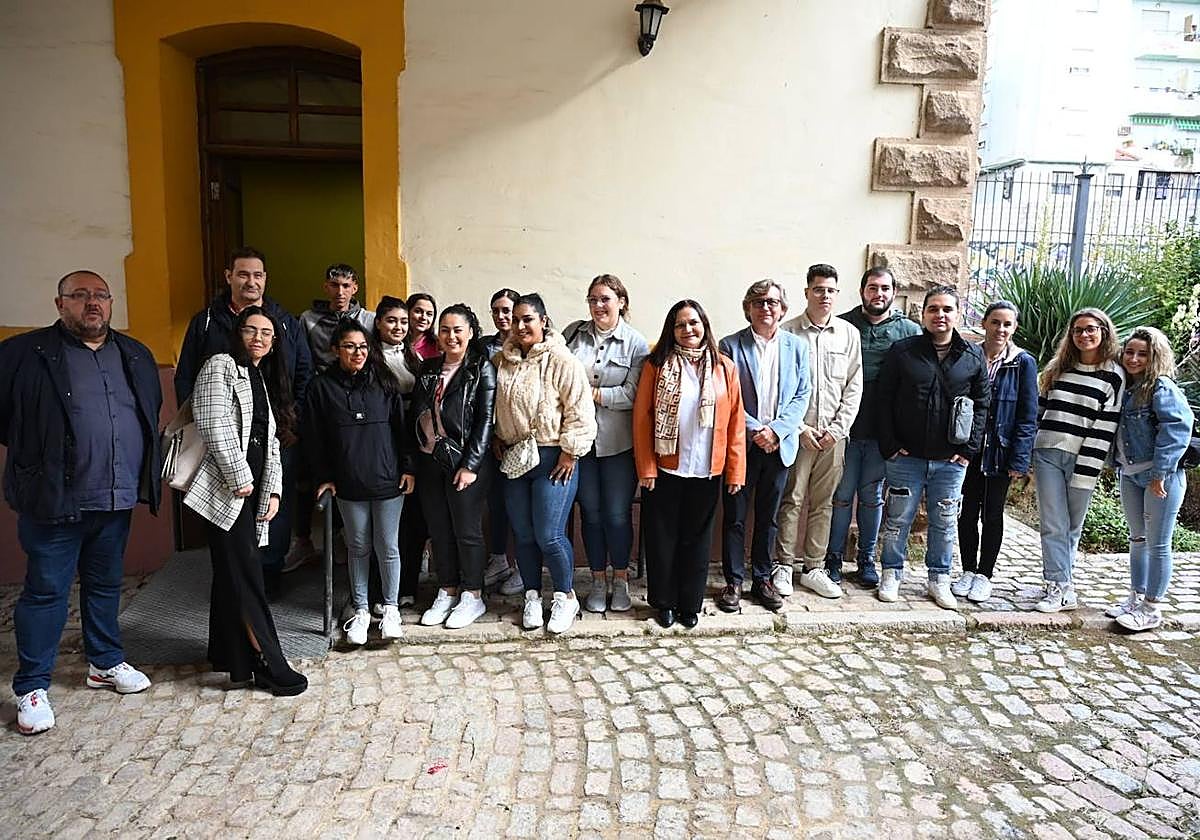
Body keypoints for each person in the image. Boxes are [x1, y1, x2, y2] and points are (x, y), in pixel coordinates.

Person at [1, 271, 162, 735]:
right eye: (80, 296)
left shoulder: (134, 353)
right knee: (46, 592)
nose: (92, 304)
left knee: (106, 584)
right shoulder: (23, 354)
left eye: (100, 296)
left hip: (114, 496)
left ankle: (105, 662)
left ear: (111, 304)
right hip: (54, 499)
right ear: (59, 303)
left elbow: (146, 415)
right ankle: (32, 685)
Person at [184, 306, 307, 696]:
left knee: (231, 571)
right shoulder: (220, 365)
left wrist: (272, 489)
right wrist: (240, 478)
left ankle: (229, 656)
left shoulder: (259, 376)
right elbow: (213, 421)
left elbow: (268, 441)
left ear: (273, 344)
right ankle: (268, 661)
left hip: (251, 491)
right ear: (238, 333)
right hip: (226, 488)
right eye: (251, 330)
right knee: (247, 573)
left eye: (267, 333)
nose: (259, 338)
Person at [175, 246, 313, 590]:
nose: (251, 281)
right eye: (243, 274)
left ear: (265, 279)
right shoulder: (207, 321)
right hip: (224, 436)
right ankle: (236, 580)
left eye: (257, 275)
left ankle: (268, 575)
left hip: (277, 431)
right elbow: (186, 377)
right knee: (231, 503)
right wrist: (205, 427)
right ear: (229, 277)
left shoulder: (283, 320)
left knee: (273, 506)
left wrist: (289, 418)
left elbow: (303, 372)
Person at [875, 285, 989, 609]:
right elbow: (883, 400)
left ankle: (939, 578)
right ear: (923, 314)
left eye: (947, 309)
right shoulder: (903, 351)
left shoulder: (972, 355)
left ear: (958, 313)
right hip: (905, 457)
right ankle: (892, 573)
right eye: (934, 309)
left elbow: (982, 404)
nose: (940, 315)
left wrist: (968, 450)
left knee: (945, 520)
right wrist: (890, 445)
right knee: (897, 519)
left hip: (950, 461)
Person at [634, 300, 746, 628]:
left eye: (694, 323)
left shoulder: (724, 367)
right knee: (662, 537)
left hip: (707, 470)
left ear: (705, 326)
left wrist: (735, 470)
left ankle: (689, 604)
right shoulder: (656, 365)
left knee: (696, 539)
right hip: (666, 468)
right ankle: (664, 602)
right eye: (680, 325)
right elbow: (642, 419)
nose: (688, 330)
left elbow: (735, 423)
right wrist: (647, 467)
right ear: (672, 330)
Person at [304, 320, 415, 645]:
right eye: (350, 346)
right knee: (358, 546)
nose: (358, 353)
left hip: (388, 480)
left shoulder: (385, 382)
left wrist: (408, 467)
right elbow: (314, 438)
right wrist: (323, 477)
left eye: (363, 346)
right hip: (348, 483)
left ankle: (391, 609)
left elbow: (401, 429)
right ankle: (362, 610)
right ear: (335, 349)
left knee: (388, 546)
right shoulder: (321, 387)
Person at [493, 293, 596, 634]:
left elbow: (580, 410)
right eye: (517, 319)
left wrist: (571, 451)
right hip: (515, 456)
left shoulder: (562, 360)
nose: (521, 326)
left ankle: (565, 596)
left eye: (528, 319)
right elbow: (494, 406)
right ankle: (533, 595)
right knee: (523, 533)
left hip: (554, 457)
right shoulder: (502, 361)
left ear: (543, 321)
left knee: (549, 534)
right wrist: (497, 435)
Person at [717, 280, 811, 614]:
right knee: (736, 516)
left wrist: (778, 431)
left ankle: (762, 578)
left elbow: (803, 394)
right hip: (743, 444)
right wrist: (758, 429)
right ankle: (732, 581)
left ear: (783, 309)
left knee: (769, 517)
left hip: (779, 445)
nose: (765, 307)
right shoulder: (729, 345)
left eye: (772, 302)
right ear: (748, 308)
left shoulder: (796, 347)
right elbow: (725, 396)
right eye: (757, 302)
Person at [773, 265, 863, 602]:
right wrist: (798, 428)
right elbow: (780, 389)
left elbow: (855, 385)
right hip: (799, 434)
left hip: (834, 436)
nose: (825, 296)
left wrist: (838, 429)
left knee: (824, 502)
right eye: (819, 289)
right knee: (792, 498)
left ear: (837, 294)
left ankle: (813, 567)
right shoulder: (788, 333)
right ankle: (783, 564)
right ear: (807, 292)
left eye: (831, 290)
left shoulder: (848, 334)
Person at [826, 268, 920, 586]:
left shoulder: (909, 331)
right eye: (872, 288)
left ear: (894, 291)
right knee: (840, 497)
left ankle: (866, 559)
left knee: (871, 497)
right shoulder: (842, 324)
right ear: (862, 290)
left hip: (883, 433)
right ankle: (833, 559)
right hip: (845, 427)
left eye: (884, 288)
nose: (878, 294)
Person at [564, 275, 650, 613]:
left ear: (621, 302)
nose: (598, 306)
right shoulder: (573, 334)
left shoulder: (635, 343)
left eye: (605, 299)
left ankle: (620, 579)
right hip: (580, 444)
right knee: (591, 514)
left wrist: (591, 394)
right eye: (593, 299)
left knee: (616, 515)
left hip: (618, 445)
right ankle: (597, 580)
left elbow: (633, 394)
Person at [1031, 308, 1124, 613]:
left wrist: (1086, 469)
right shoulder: (1058, 368)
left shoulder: (1113, 376)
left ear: (1104, 332)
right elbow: (1039, 412)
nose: (1084, 335)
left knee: (1072, 526)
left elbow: (1106, 427)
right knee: (1054, 524)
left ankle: (1064, 584)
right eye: (1078, 330)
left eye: (1090, 329)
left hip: (1085, 458)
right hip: (1047, 454)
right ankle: (1056, 585)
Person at [411, 305, 497, 629]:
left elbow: (485, 421)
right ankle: (446, 590)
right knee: (439, 530)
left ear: (470, 332)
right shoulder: (429, 368)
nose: (451, 336)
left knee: (467, 531)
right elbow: (416, 414)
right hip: (431, 459)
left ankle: (472, 595)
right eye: (444, 330)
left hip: (466, 462)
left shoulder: (481, 369)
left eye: (458, 329)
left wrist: (471, 464)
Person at [1107, 327, 1193, 631]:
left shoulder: (1161, 388)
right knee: (1138, 540)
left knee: (1158, 544)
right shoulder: (1126, 388)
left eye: (1142, 354)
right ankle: (1136, 598)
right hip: (1130, 475)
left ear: (1154, 357)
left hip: (1161, 478)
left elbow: (1177, 429)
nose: (1133, 358)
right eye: (1129, 352)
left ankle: (1152, 608)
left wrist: (1160, 475)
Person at [951, 301, 1037, 603]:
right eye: (996, 322)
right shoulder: (969, 354)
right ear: (985, 323)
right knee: (966, 513)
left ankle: (985, 574)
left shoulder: (1022, 362)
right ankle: (967, 570)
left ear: (1014, 328)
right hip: (969, 449)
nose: (1000, 329)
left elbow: (1028, 415)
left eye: (1007, 324)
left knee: (992, 514)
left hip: (1000, 451)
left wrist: (1020, 458)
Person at [374, 296, 421, 608]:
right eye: (392, 320)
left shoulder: (414, 358)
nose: (398, 327)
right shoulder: (369, 358)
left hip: (416, 446)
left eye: (403, 322)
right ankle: (378, 591)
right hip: (382, 446)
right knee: (383, 525)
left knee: (413, 521)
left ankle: (408, 588)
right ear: (378, 322)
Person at [482, 288, 524, 596]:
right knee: (496, 502)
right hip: (492, 437)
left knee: (521, 506)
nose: (501, 317)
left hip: (523, 439)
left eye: (507, 310)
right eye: (496, 311)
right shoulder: (484, 347)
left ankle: (524, 566)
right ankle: (498, 559)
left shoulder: (530, 346)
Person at [299, 263, 375, 373]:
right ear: (326, 287)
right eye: (334, 285)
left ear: (354, 288)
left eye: (346, 286)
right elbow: (302, 357)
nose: (340, 292)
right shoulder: (308, 319)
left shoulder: (369, 319)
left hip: (360, 382)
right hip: (322, 382)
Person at [407, 293, 440, 361]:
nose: (423, 317)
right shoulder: (396, 342)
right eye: (418, 311)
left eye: (429, 314)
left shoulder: (438, 346)